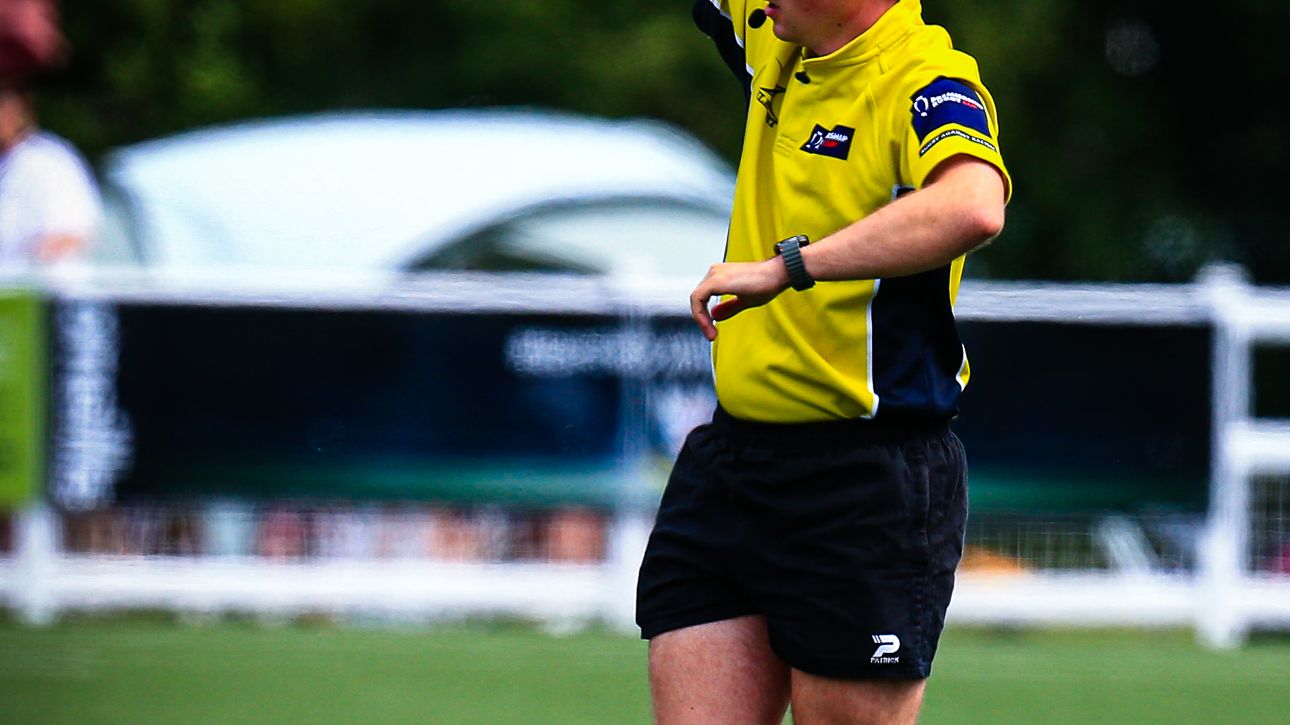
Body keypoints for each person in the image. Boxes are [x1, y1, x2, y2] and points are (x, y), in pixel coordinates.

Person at [636, 1, 1011, 723]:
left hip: (865, 481)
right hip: (731, 464)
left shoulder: (925, 81)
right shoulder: (777, 34)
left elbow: (972, 207)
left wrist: (788, 267)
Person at [0, 0, 99, 267]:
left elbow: (67, 235)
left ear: (20, 108)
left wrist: (28, 267)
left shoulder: (48, 162)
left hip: (43, 291)